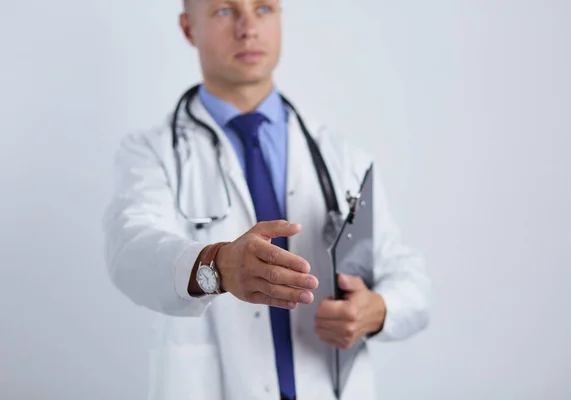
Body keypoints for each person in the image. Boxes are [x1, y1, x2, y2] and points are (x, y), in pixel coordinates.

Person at [102, 0, 431, 399]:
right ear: (189, 28)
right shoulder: (152, 153)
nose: (247, 28)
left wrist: (377, 309)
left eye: (263, 9)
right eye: (225, 11)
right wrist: (217, 264)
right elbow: (129, 252)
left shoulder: (340, 155)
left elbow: (408, 276)